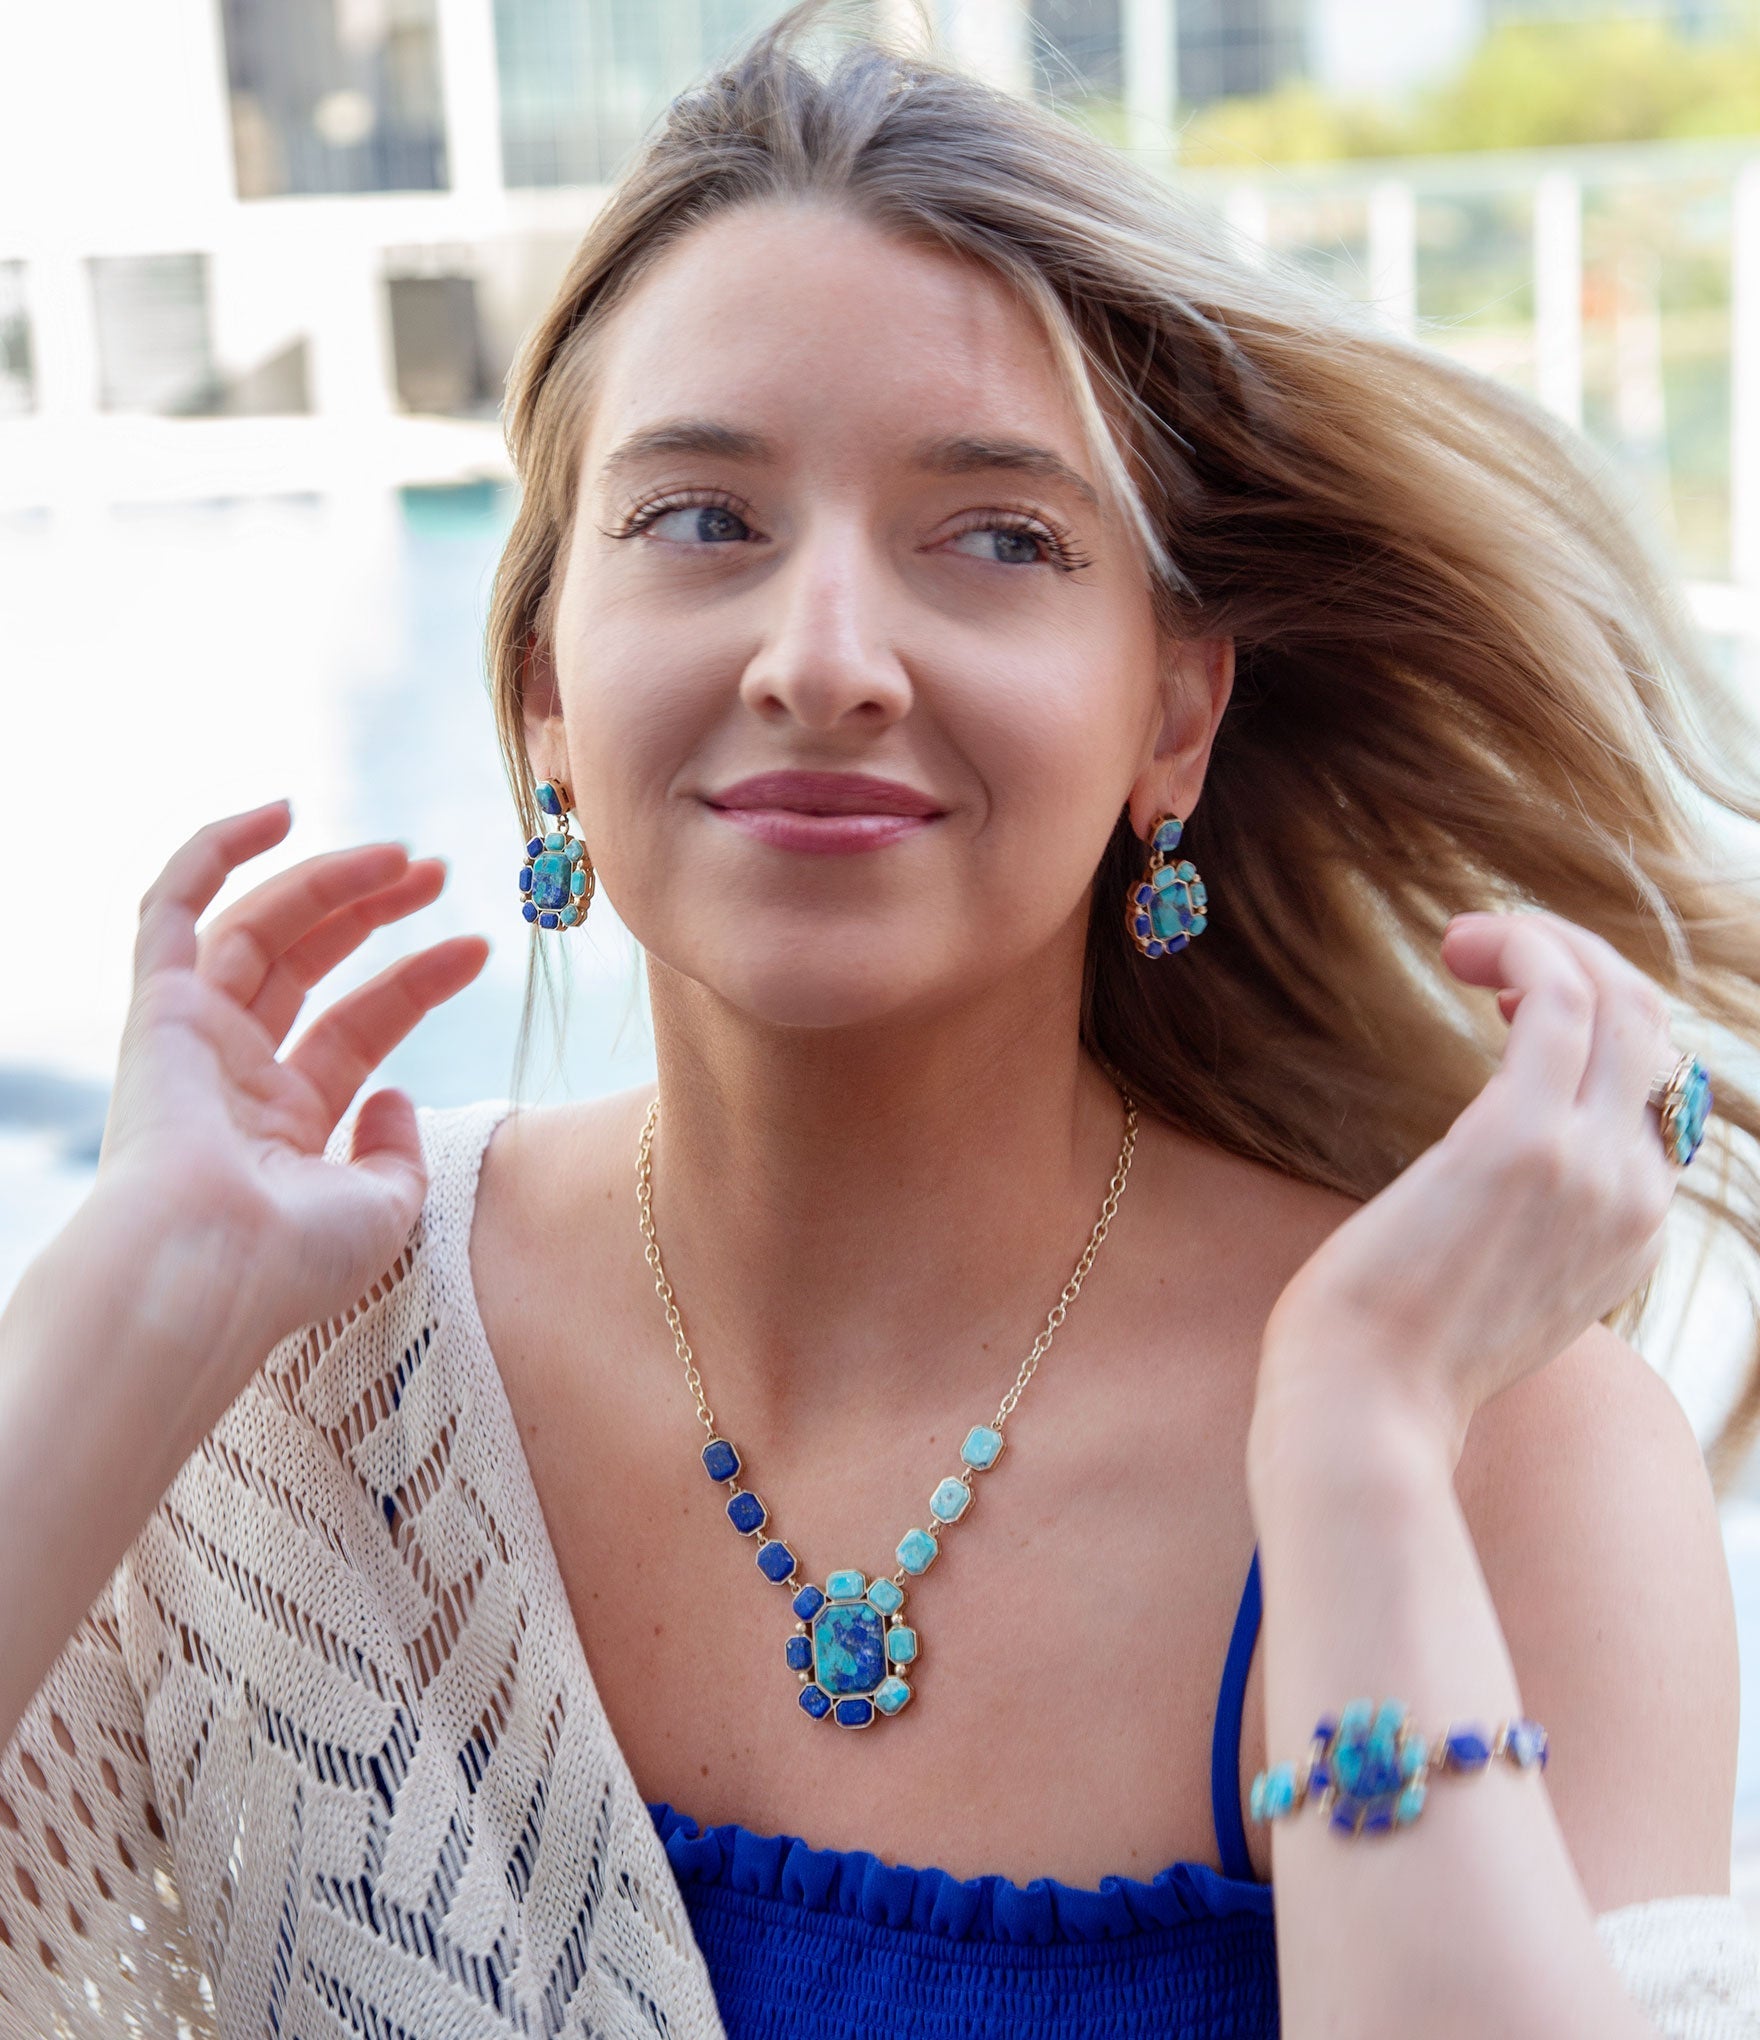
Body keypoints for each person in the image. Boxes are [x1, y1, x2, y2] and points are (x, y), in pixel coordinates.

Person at [4, 3, 1760, 2034]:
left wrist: (1353, 1453)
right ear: (545, 692)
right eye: (701, 522)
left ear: (1169, 715)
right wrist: (123, 1313)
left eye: (998, 539)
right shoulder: (297, 1381)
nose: (822, 656)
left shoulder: (1496, 1437)